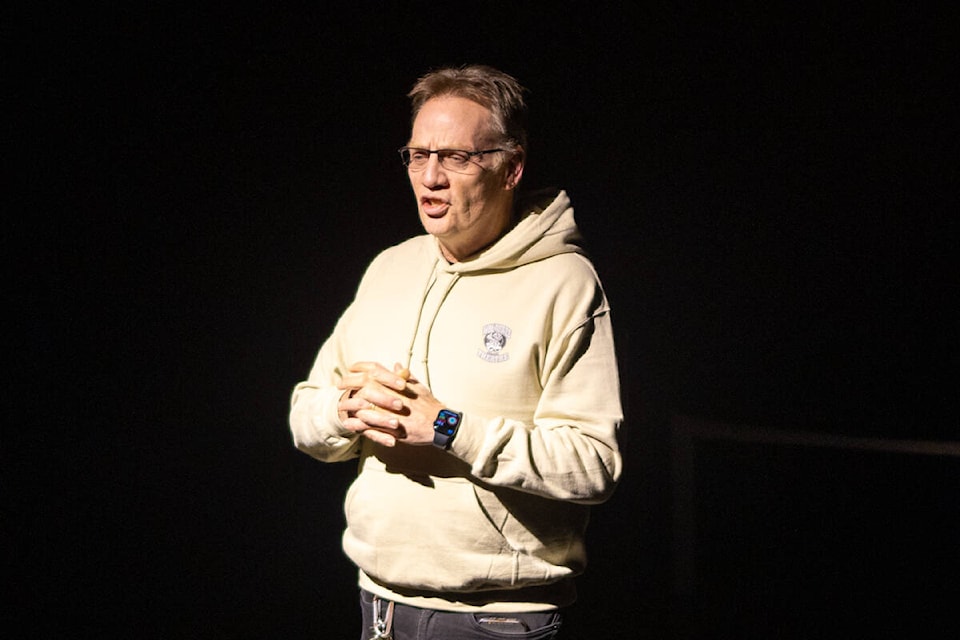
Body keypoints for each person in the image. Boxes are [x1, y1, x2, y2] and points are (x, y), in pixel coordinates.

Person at [289, 64, 623, 640]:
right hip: (378, 607)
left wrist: (448, 428)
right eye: (418, 155)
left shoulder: (565, 283)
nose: (431, 177)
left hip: (494, 620)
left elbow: (594, 465)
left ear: (511, 167)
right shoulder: (390, 267)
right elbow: (305, 413)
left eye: (456, 157)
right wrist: (344, 411)